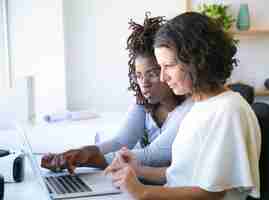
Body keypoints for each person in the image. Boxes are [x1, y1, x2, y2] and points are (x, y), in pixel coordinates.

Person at [105, 12, 261, 200]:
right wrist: (138, 169)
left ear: (197, 61)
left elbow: (211, 193)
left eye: (168, 66)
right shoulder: (200, 105)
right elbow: (184, 174)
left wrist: (142, 192)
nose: (163, 77)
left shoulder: (228, 111)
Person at [41, 13, 193, 174]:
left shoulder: (189, 108)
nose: (144, 84)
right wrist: (82, 152)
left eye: (152, 74)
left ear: (167, 67)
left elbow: (153, 156)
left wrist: (84, 159)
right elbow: (121, 141)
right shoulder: (145, 102)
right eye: (139, 75)